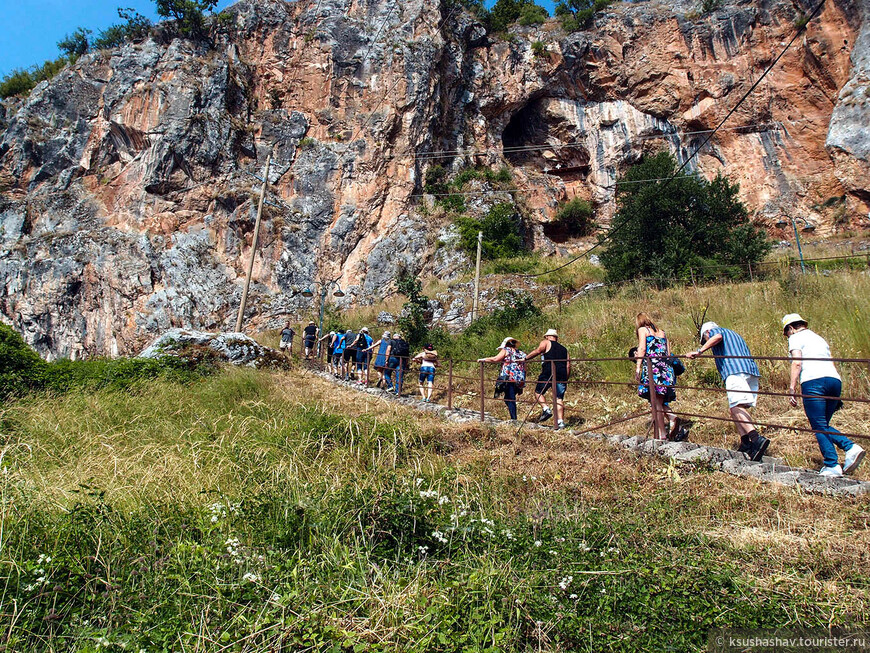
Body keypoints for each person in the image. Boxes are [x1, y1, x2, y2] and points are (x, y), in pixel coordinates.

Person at [782, 313, 864, 477]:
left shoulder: (795, 338)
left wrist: (791, 388)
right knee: (823, 424)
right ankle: (844, 453)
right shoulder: (819, 339)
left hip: (813, 382)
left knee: (818, 424)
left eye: (786, 334)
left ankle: (835, 461)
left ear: (790, 328)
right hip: (834, 381)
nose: (787, 337)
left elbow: (797, 362)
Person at [686, 321, 770, 461]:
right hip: (749, 370)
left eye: (704, 339)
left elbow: (717, 337)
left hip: (734, 370)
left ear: (707, 332)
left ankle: (756, 439)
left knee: (736, 406)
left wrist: (699, 351)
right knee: (736, 408)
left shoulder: (715, 331)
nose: (706, 341)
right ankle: (745, 442)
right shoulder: (734, 334)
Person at [633, 313, 679, 440]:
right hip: (665, 368)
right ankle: (670, 418)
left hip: (653, 368)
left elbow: (642, 348)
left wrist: (638, 366)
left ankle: (662, 434)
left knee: (655, 402)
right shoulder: (662, 333)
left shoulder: (643, 330)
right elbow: (668, 354)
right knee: (658, 400)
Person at [525, 329, 570, 430]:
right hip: (561, 374)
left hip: (548, 372)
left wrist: (525, 359)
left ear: (547, 336)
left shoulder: (546, 342)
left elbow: (538, 351)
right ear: (556, 337)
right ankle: (561, 422)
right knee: (559, 398)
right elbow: (568, 365)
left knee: (538, 392)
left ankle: (546, 409)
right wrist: (565, 378)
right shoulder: (564, 349)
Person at [478, 337, 527, 420]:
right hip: (519, 379)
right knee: (509, 397)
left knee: (510, 398)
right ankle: (513, 417)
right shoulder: (522, 354)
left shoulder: (506, 350)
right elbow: (525, 368)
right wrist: (523, 381)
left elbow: (496, 359)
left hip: (508, 378)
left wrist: (484, 359)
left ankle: (514, 419)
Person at [386, 331, 410, 396]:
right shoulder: (404, 343)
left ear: (394, 337)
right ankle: (398, 391)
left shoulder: (391, 341)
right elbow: (407, 354)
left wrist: (386, 360)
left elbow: (388, 350)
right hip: (402, 360)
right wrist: (406, 363)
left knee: (387, 372)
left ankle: (390, 386)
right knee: (399, 376)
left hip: (393, 358)